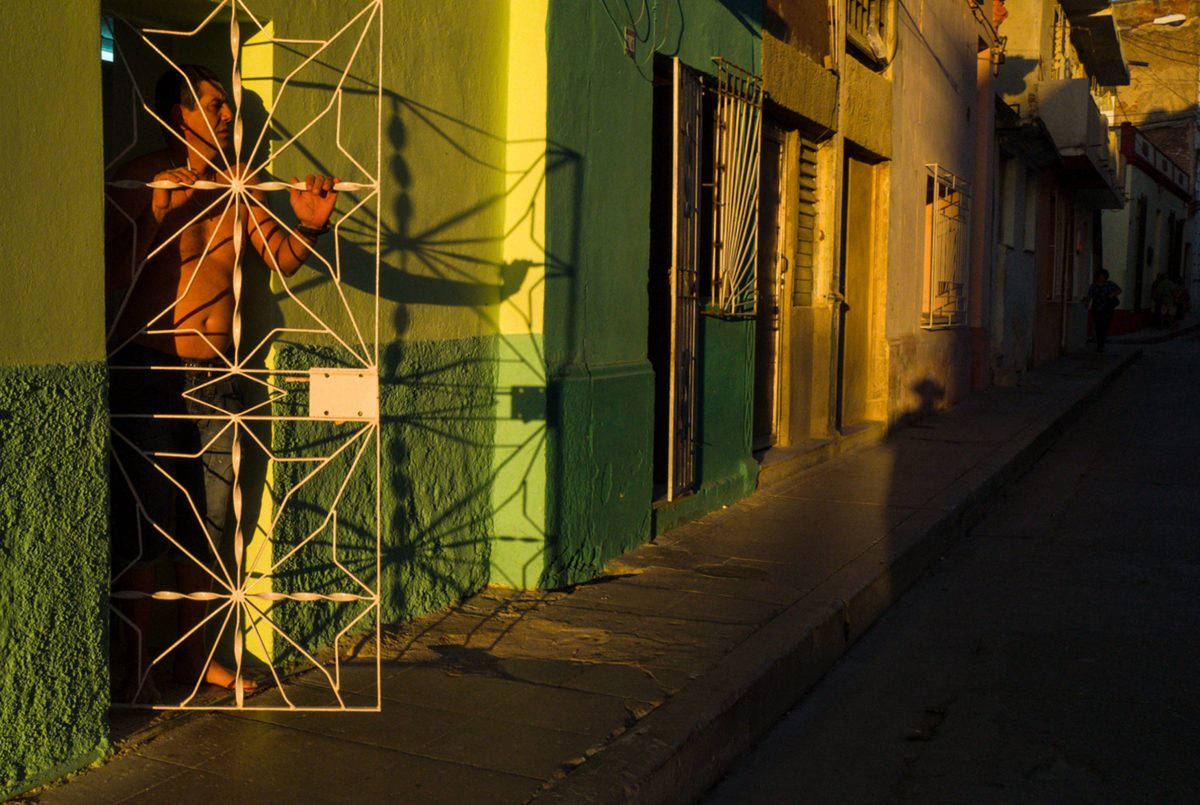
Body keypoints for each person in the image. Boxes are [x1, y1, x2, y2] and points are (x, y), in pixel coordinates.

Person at [104, 64, 338, 703]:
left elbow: (278, 260)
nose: (229, 116)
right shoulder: (143, 174)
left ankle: (196, 660)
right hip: (148, 366)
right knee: (146, 523)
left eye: (231, 105)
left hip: (219, 373)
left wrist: (309, 223)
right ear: (178, 112)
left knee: (213, 523)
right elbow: (103, 275)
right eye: (214, 104)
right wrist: (157, 214)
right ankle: (139, 668)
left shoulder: (240, 186)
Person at [1085, 269, 1121, 353]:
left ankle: (1102, 344)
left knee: (1104, 326)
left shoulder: (1109, 284)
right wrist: (1087, 303)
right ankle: (1099, 344)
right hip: (1097, 309)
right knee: (1098, 327)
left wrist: (1112, 295)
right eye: (1100, 277)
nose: (1101, 278)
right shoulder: (1093, 286)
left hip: (1107, 309)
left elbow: (1119, 290)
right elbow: (1089, 295)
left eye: (1103, 277)